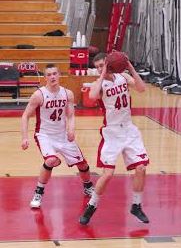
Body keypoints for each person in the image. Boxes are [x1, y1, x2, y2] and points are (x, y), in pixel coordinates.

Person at [79, 52, 149, 225]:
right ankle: (92, 205)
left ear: (109, 62)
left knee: (141, 168)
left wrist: (129, 66)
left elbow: (141, 88)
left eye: (102, 65)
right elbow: (93, 96)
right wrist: (102, 74)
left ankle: (136, 205)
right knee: (108, 173)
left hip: (129, 130)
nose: (100, 69)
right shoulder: (99, 83)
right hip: (111, 133)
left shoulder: (123, 77)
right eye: (97, 67)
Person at [21, 64, 94, 208]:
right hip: (45, 135)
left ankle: (87, 185)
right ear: (45, 78)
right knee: (50, 160)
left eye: (55, 73)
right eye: (49, 75)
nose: (52, 77)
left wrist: (71, 130)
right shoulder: (39, 95)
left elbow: (71, 115)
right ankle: (38, 193)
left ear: (59, 75)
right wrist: (24, 137)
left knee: (83, 164)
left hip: (62, 135)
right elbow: (25, 116)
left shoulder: (68, 94)